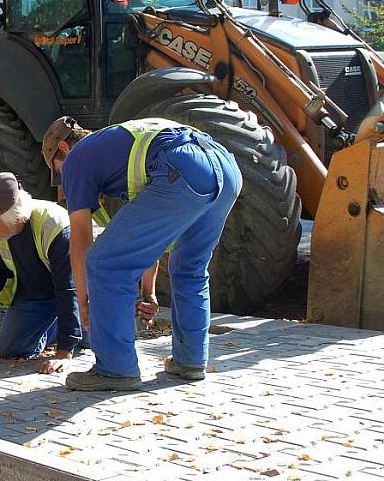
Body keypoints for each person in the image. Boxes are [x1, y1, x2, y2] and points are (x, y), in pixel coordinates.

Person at [42, 116, 242, 391]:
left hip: (182, 167)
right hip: (225, 168)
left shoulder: (77, 160)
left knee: (104, 262)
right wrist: (148, 291)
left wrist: (84, 300)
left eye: (57, 171)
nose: (64, 181)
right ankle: (190, 361)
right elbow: (147, 244)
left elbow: (80, 242)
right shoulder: (116, 149)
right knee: (190, 268)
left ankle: (115, 369)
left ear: (64, 147)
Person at [0, 172, 86, 374]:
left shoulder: (55, 225)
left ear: (15, 216)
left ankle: (76, 329)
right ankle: (66, 326)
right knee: (8, 349)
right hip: (35, 295)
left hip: (78, 291)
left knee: (96, 339)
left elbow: (69, 289)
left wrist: (64, 355)